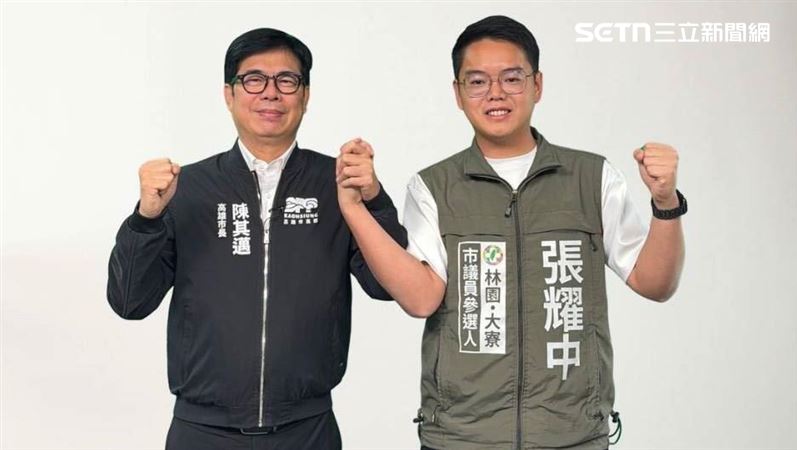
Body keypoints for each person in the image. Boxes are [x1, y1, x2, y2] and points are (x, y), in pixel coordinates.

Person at [336, 15, 686, 450]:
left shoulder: (591, 178)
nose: (496, 93)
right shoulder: (434, 187)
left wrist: (666, 202)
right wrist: (354, 209)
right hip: (461, 438)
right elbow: (421, 298)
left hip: (571, 436)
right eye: (477, 81)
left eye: (512, 78)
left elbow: (655, 283)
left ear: (537, 85)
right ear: (458, 94)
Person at [107, 27, 406, 450]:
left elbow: (387, 286)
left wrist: (373, 199)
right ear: (229, 95)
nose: (270, 92)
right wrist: (146, 218)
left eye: (287, 80)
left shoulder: (338, 184)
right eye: (254, 79)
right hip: (202, 431)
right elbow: (129, 302)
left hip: (307, 429)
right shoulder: (185, 187)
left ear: (305, 95)